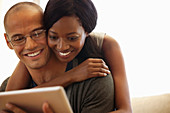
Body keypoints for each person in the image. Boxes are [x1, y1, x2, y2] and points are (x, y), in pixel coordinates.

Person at [1, 1, 115, 113]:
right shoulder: (7, 91)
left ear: (50, 30)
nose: (30, 45)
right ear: (8, 41)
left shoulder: (94, 81)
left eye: (37, 33)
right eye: (18, 39)